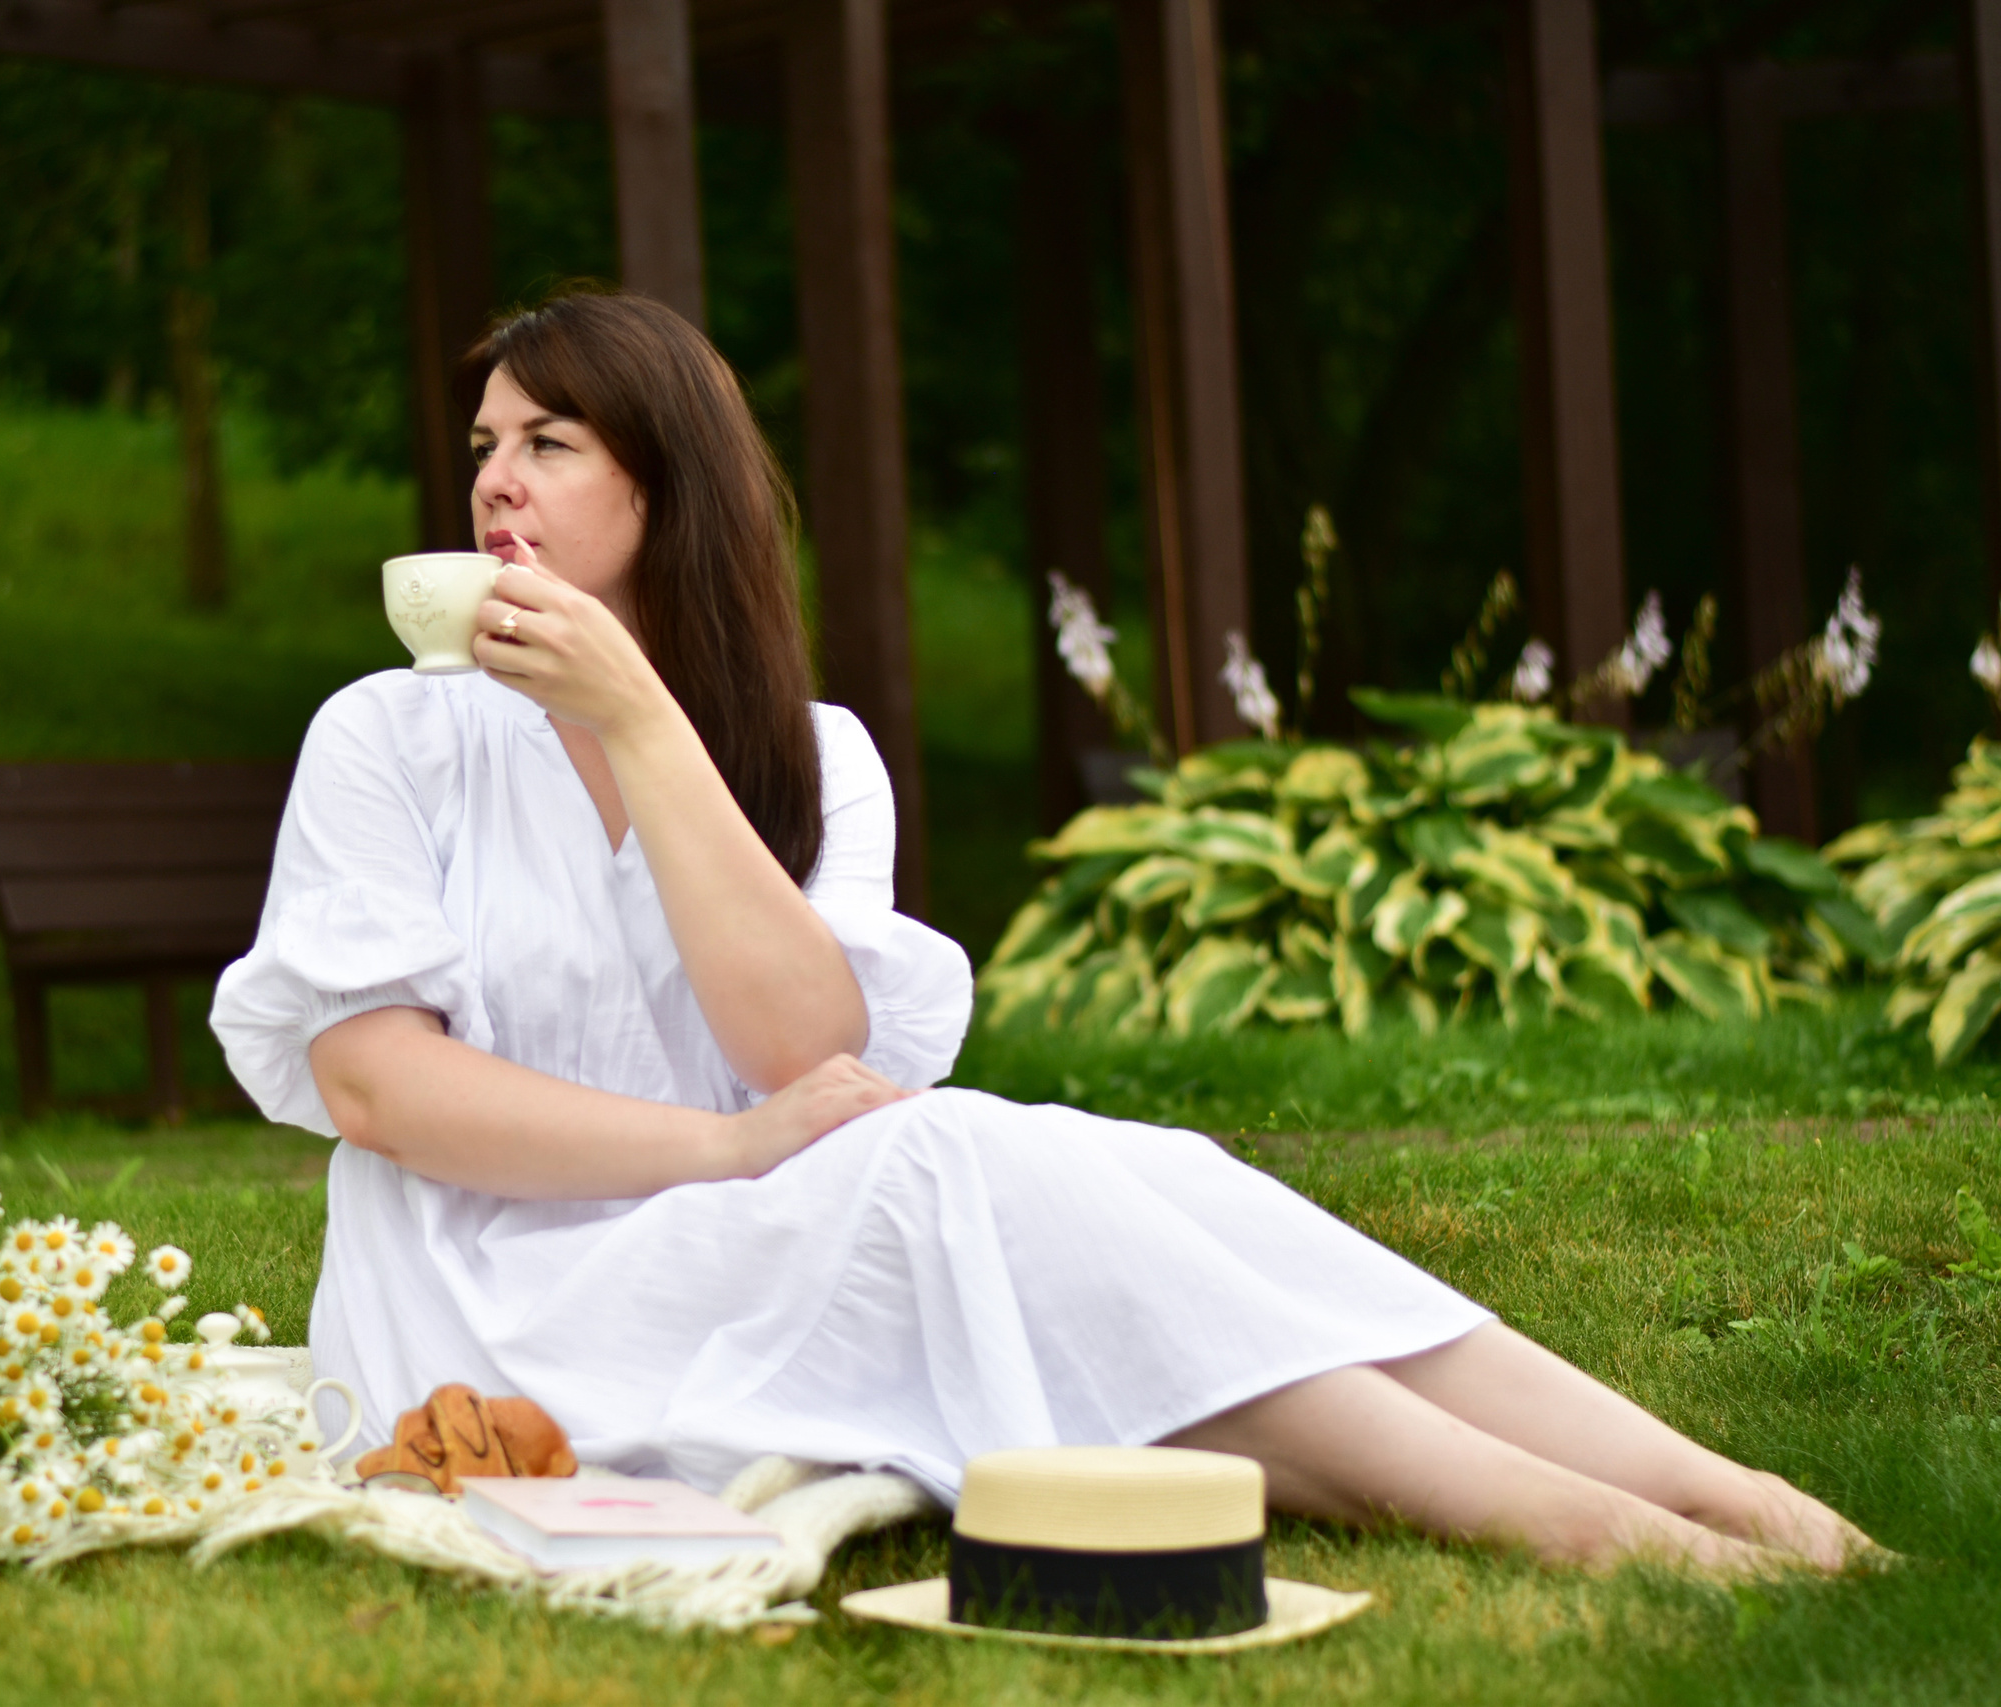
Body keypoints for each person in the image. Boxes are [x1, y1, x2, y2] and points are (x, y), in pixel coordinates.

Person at [210, 290, 1871, 1578]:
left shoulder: (812, 753)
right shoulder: (388, 738)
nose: (495, 478)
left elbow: (807, 1047)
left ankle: (1725, 1492)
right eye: (487, 442)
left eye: (550, 441)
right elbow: (380, 1095)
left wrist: (645, 723)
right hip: (491, 1304)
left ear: (672, 481)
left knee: (1153, 1192)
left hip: (750, 1251)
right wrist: (726, 1153)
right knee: (956, 1168)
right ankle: (1585, 1528)